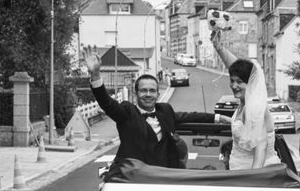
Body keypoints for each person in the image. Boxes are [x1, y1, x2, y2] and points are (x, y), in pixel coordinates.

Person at [81, 45, 230, 168]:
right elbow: (107, 103)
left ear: (158, 94)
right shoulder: (127, 111)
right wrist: (95, 74)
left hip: (164, 176)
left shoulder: (165, 110)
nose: (148, 94)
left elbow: (191, 116)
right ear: (136, 93)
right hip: (133, 175)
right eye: (143, 90)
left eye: (152, 91)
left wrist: (219, 118)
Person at [211, 30, 281, 170]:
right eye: (232, 81)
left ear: (251, 83)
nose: (234, 86)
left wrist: (252, 182)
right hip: (239, 172)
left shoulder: (253, 107)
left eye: (239, 82)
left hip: (252, 175)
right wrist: (218, 47)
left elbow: (261, 146)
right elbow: (236, 66)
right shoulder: (245, 103)